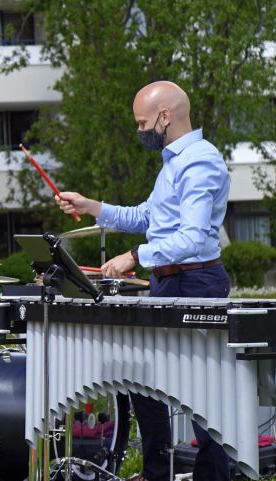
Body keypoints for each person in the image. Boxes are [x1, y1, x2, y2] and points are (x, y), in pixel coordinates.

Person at [56, 80, 231, 481]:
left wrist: (135, 256)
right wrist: (92, 206)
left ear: (165, 117)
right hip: (170, 284)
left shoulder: (200, 161)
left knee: (204, 395)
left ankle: (214, 477)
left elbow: (190, 238)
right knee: (143, 382)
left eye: (142, 122)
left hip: (197, 284)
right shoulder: (173, 163)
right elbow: (146, 218)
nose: (139, 131)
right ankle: (157, 472)